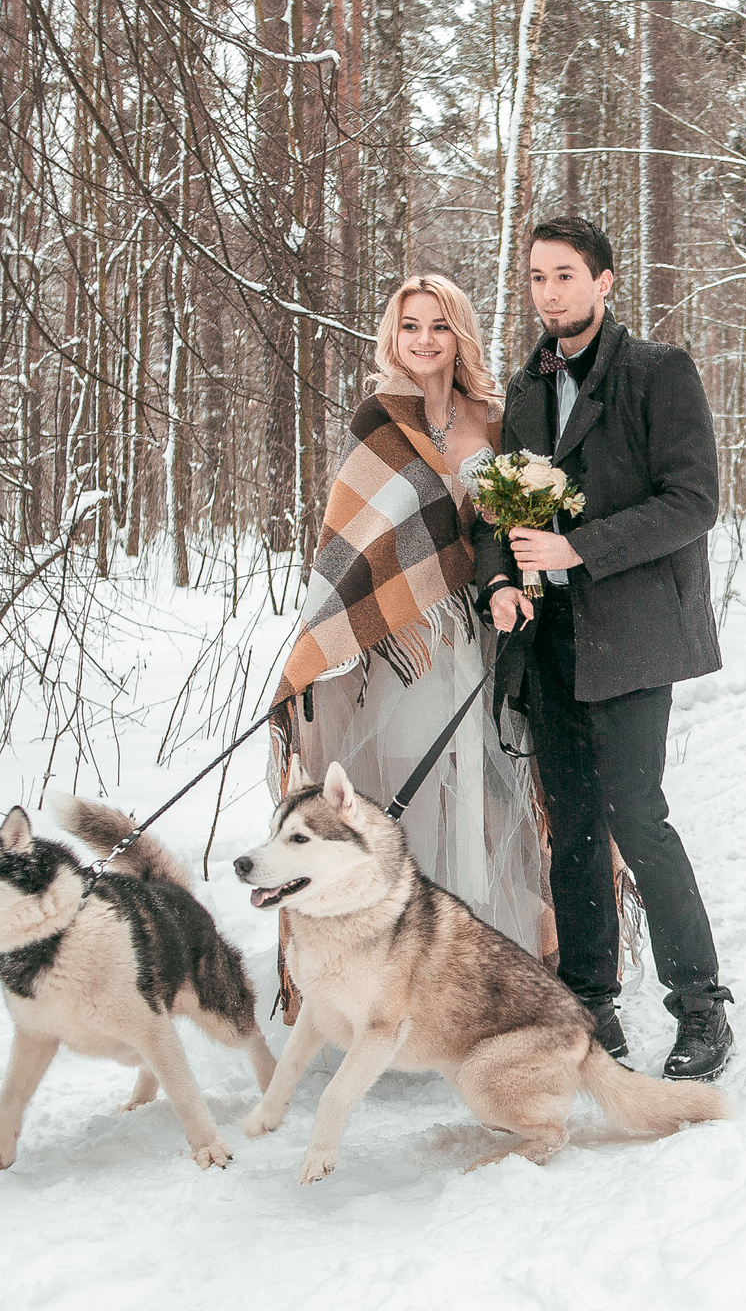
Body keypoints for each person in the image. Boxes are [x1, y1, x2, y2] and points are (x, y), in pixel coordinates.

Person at [475, 214, 734, 1083]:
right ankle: (589, 1006)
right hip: (547, 643)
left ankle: (699, 1004)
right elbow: (498, 515)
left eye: (564, 276)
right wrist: (500, 583)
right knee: (573, 831)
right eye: (537, 278)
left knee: (636, 815)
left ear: (605, 281)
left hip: (630, 639)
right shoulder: (523, 388)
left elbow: (693, 500)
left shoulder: (658, 372)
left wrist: (581, 548)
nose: (549, 293)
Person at [270, 274, 551, 993]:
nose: (424, 340)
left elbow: (511, 516)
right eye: (410, 326)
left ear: (460, 335)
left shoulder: (492, 418)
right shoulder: (378, 419)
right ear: (394, 337)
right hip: (408, 637)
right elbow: (353, 540)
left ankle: (484, 960)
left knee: (489, 786)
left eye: (439, 325)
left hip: (485, 627)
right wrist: (325, 640)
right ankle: (396, 968)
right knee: (410, 780)